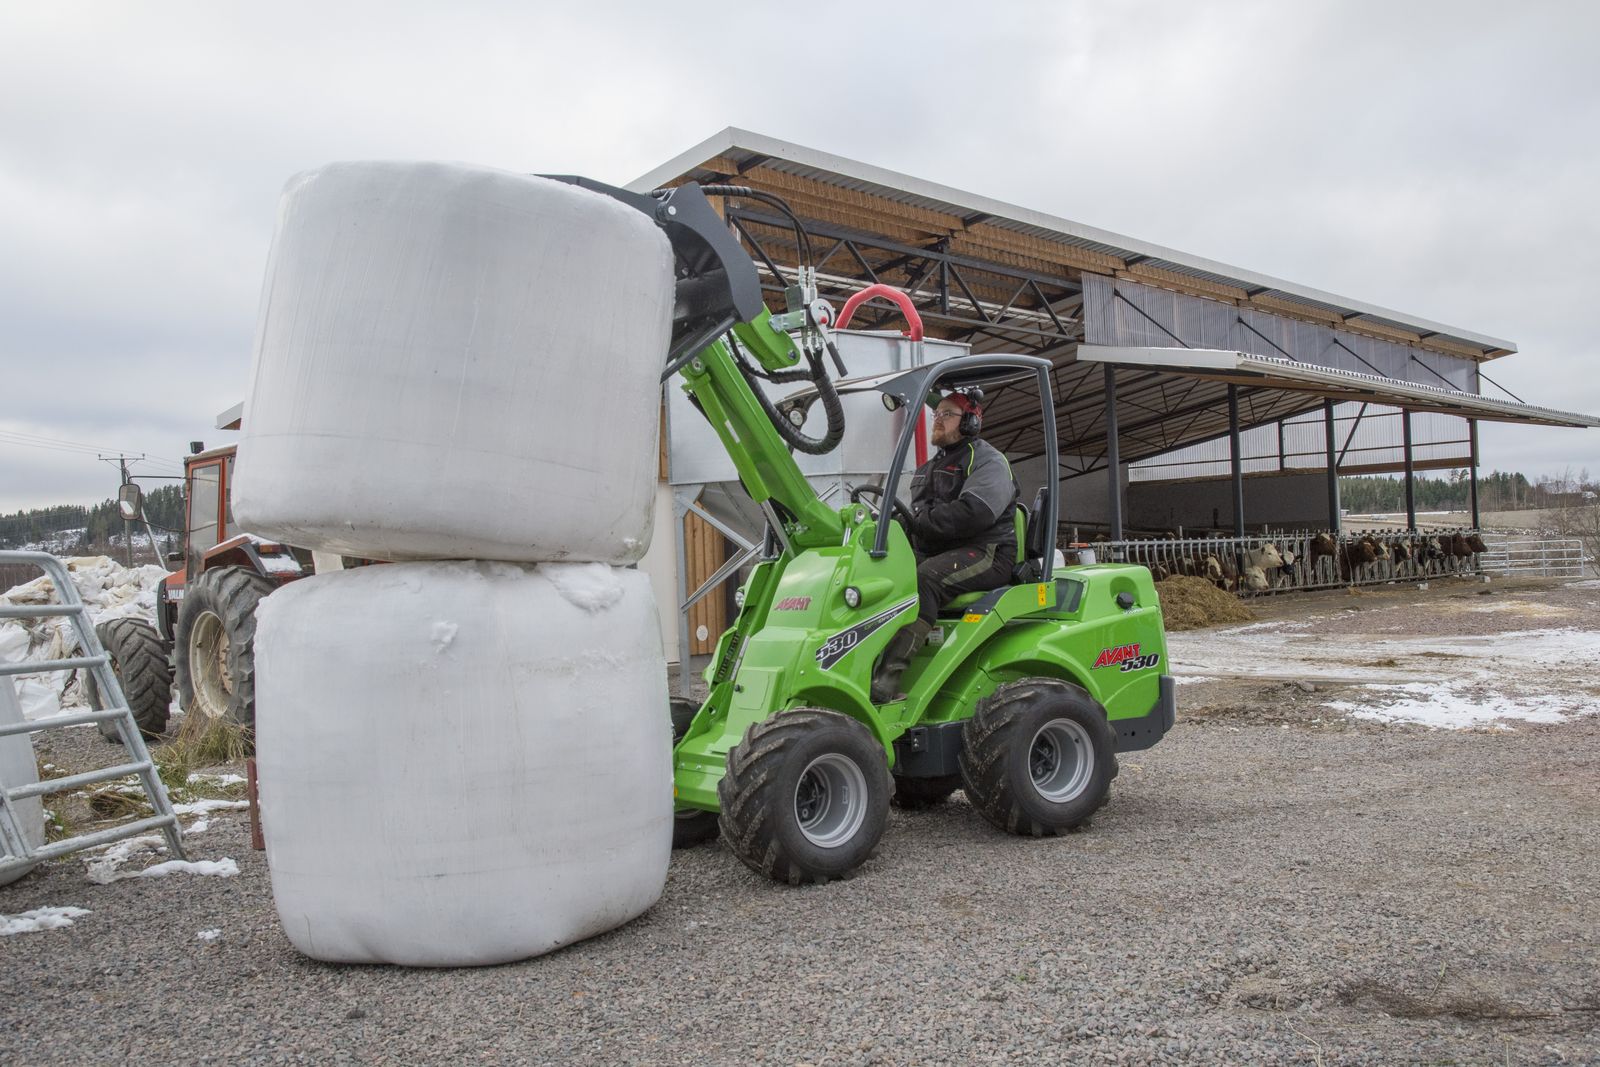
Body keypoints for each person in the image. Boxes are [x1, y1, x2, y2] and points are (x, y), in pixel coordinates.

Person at [871, 388, 1019, 702]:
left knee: (926, 579)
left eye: (947, 414)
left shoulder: (988, 461)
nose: (938, 419)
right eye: (936, 414)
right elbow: (915, 515)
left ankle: (886, 680)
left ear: (970, 422)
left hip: (987, 551)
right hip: (940, 550)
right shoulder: (928, 468)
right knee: (880, 576)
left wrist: (919, 523)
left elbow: (974, 513)